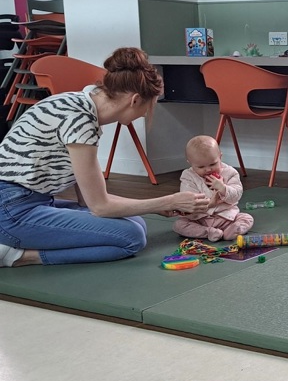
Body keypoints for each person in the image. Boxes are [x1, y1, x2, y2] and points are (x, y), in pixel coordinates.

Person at [0, 47, 210, 267]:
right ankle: (17, 255)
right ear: (135, 100)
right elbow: (100, 207)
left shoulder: (80, 105)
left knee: (136, 222)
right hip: (11, 210)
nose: (145, 114)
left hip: (26, 201)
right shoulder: (80, 120)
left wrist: (155, 207)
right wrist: (167, 200)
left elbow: (87, 201)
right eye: (149, 107)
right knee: (131, 237)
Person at [172, 135, 253, 242]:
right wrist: (210, 204)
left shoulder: (230, 173)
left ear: (220, 157)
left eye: (213, 164)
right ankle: (208, 232)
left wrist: (223, 188)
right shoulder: (188, 176)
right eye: (201, 167)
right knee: (179, 225)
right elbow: (189, 201)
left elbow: (236, 195)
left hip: (227, 217)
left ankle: (232, 230)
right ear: (190, 163)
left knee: (247, 218)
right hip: (199, 218)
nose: (208, 169)